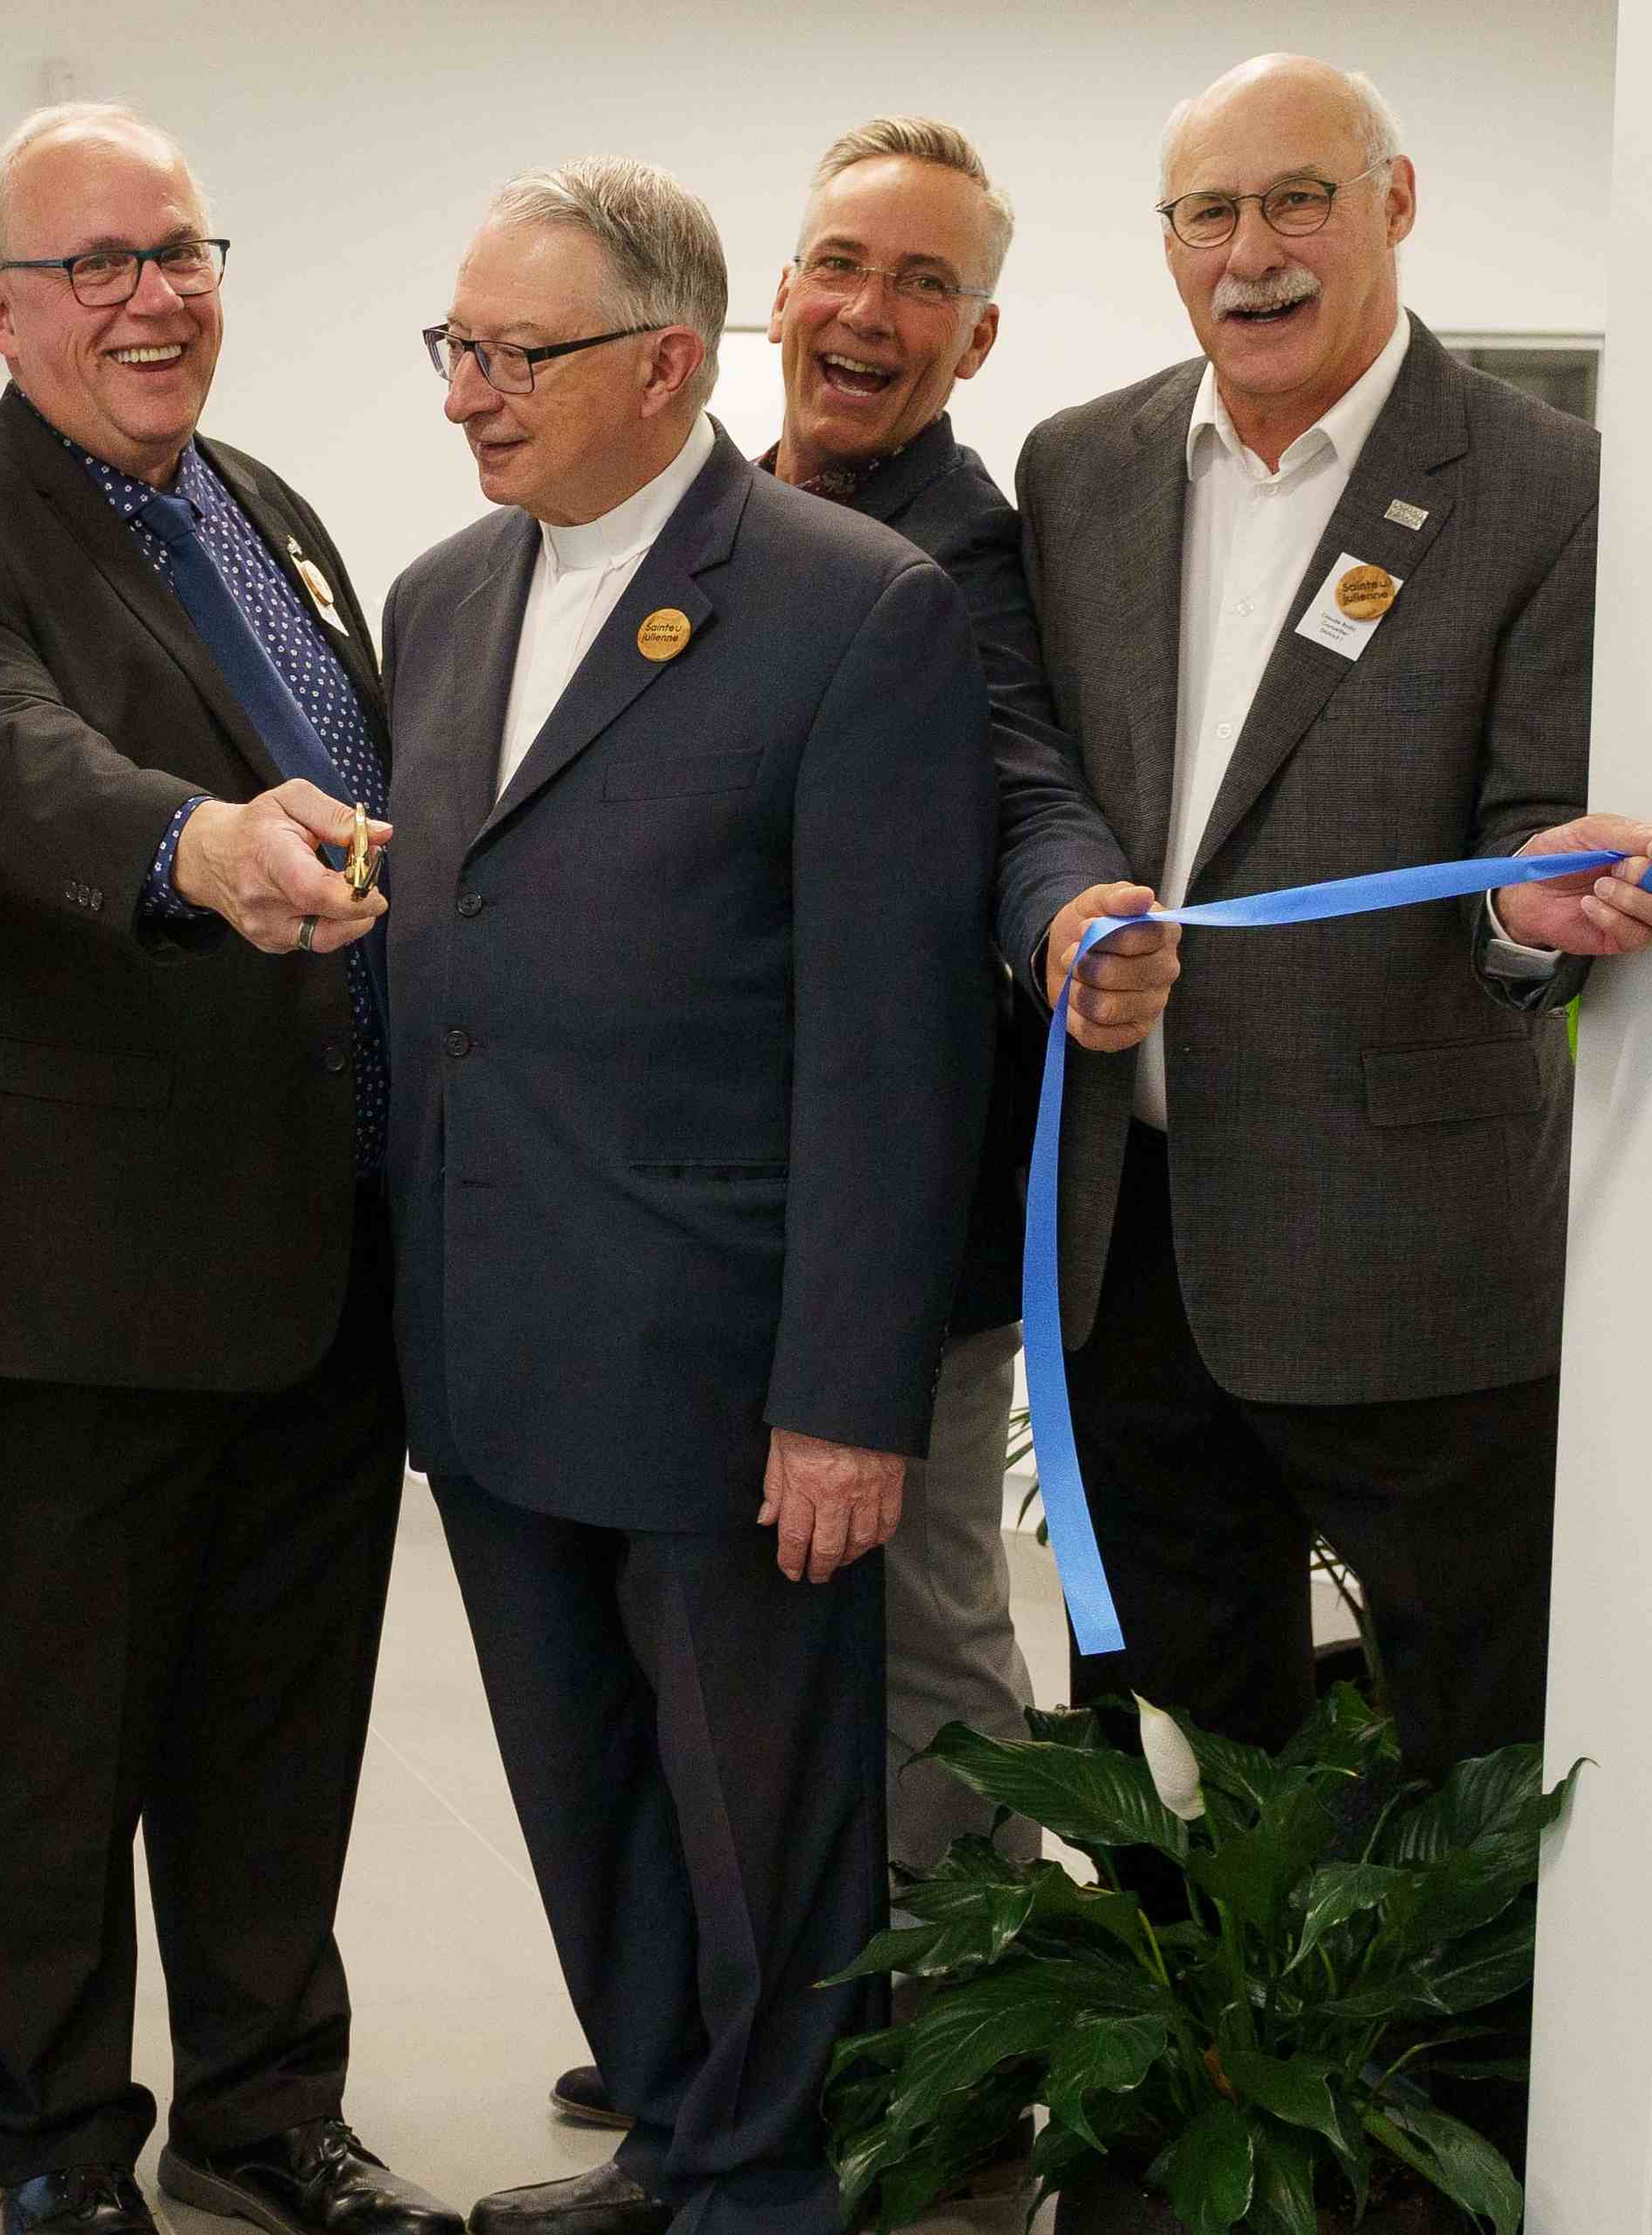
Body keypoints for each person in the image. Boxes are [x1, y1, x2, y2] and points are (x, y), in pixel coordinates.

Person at [0, 100, 462, 2235]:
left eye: (179, 249)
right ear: (4, 311)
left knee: (282, 1724)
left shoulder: (268, 507)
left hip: (323, 1235)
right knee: (49, 1740)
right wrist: (190, 843)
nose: (152, 294)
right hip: (84, 1258)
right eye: (96, 264)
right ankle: (60, 2144)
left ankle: (267, 2113)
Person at [535, 115, 1167, 2152]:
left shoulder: (942, 558)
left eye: (920, 286)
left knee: (919, 1642)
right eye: (838, 265)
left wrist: (1069, 907)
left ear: (972, 343)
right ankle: (760, 2012)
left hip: (892, 1230)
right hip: (695, 1220)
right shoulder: (690, 519)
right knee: (737, 1653)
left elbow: (1018, 783)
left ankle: (971, 2044)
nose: (864, 312)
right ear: (761, 302)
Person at [380, 159, 990, 2235]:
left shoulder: (851, 609)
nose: (468, 391)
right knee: (584, 1792)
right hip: (488, 1328)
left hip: (724, 1363)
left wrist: (847, 1393)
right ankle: (670, 2132)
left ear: (663, 364)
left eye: (514, 353)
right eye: (453, 345)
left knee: (763, 1818)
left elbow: (896, 1050)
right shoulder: (444, 594)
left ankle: (770, 2179)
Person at [1013, 53, 1652, 1778]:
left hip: (1403, 1251)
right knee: (1167, 1734)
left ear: (1392, 206)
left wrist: (1534, 909)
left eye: (1296, 200)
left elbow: (1517, 840)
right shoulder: (1077, 470)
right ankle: (1196, 2054)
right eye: (1208, 212)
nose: (1251, 250)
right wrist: (1057, 911)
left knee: (1472, 1742)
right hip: (1129, 1237)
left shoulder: (1548, 486)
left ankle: (1456, 2067)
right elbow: (1037, 785)